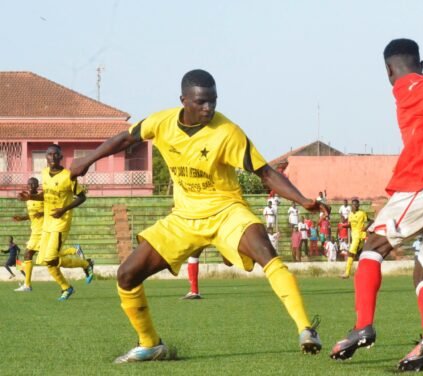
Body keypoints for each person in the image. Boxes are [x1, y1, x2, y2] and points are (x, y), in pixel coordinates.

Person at [70, 70, 327, 362]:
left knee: (266, 253)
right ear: (184, 101)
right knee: (126, 275)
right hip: (184, 218)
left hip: (226, 211)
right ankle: (150, 343)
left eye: (213, 102)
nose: (209, 109)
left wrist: (303, 199)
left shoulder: (228, 132)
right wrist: (87, 160)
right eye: (202, 102)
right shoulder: (162, 122)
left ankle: (306, 329)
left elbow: (265, 173)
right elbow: (125, 139)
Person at [330, 39, 423, 372]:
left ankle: (363, 325)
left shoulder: (408, 85)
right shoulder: (421, 84)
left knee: (371, 247)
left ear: (389, 70)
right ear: (421, 62)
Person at [19, 145, 94, 301]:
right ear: (45, 157)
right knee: (47, 261)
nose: (52, 157)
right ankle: (66, 288)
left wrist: (64, 209)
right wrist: (30, 197)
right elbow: (45, 196)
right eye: (49, 154)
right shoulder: (44, 173)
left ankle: (86, 264)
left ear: (61, 157)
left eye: (55, 155)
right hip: (47, 223)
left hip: (60, 223)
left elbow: (82, 197)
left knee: (51, 259)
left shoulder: (68, 176)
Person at [13, 177, 87, 292]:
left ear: (37, 186)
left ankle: (27, 285)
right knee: (45, 257)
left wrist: (42, 213)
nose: (31, 186)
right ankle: (74, 251)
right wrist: (22, 218)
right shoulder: (28, 199)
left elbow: (50, 209)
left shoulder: (42, 197)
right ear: (27, 185)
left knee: (34, 255)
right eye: (29, 184)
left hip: (44, 230)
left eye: (34, 184)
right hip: (35, 231)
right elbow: (32, 215)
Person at [341, 199, 370, 279]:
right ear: (352, 205)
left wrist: (366, 228)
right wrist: (344, 226)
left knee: (350, 253)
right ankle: (364, 273)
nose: (355, 206)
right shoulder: (350, 215)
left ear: (358, 205)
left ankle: (347, 273)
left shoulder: (362, 213)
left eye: (357, 204)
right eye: (354, 204)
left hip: (360, 236)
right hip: (354, 237)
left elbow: (371, 221)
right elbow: (350, 225)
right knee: (358, 255)